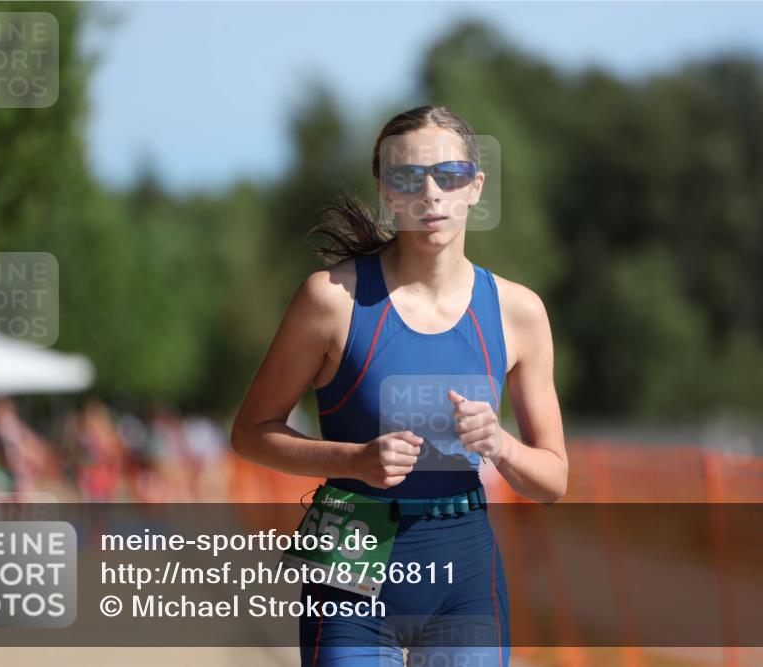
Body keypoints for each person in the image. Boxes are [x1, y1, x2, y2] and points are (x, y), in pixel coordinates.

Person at [231, 105, 567, 666]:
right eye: (409, 178)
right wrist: (354, 460)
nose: (431, 193)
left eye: (449, 175)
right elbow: (249, 433)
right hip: (351, 564)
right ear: (387, 192)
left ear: (475, 188)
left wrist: (500, 444)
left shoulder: (518, 311)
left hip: (463, 570)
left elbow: (554, 480)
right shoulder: (330, 300)